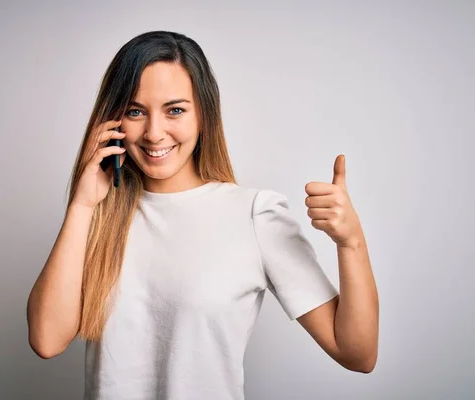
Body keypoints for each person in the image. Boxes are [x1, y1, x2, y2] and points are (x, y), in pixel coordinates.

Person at [26, 30, 379, 399]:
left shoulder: (254, 215)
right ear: (114, 120)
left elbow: (357, 353)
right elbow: (47, 340)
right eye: (135, 111)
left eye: (175, 110)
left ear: (204, 115)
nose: (154, 133)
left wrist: (352, 242)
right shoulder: (97, 215)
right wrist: (81, 206)